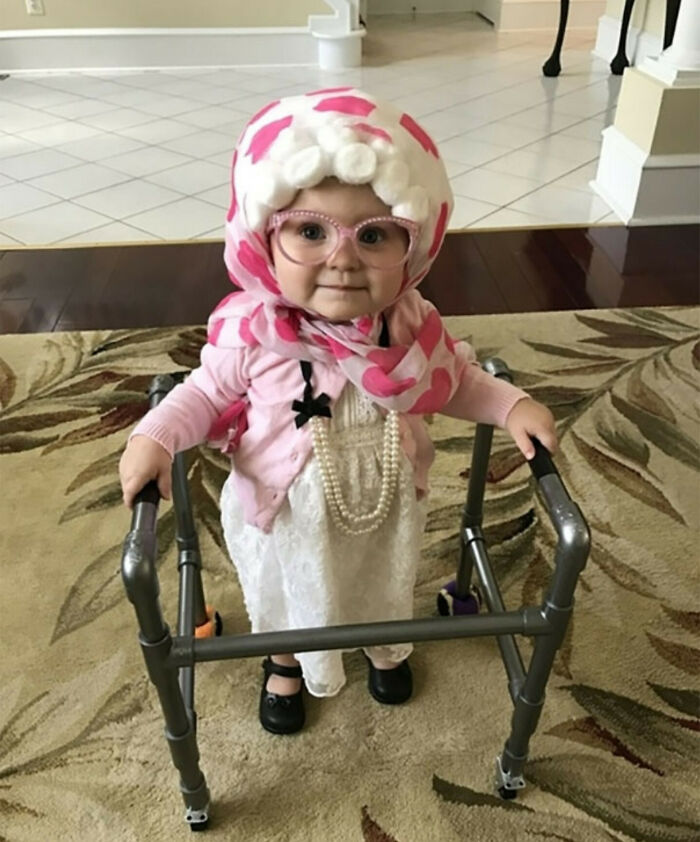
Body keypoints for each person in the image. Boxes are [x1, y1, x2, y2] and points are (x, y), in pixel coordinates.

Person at [119, 89, 557, 736]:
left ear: (415, 247)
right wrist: (156, 436)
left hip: (380, 508)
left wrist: (509, 404)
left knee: (381, 579)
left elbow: (453, 380)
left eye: (375, 235)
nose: (343, 257)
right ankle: (286, 661)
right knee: (285, 595)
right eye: (310, 231)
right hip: (286, 514)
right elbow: (207, 392)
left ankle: (384, 645)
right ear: (263, 239)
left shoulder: (409, 326)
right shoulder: (256, 333)